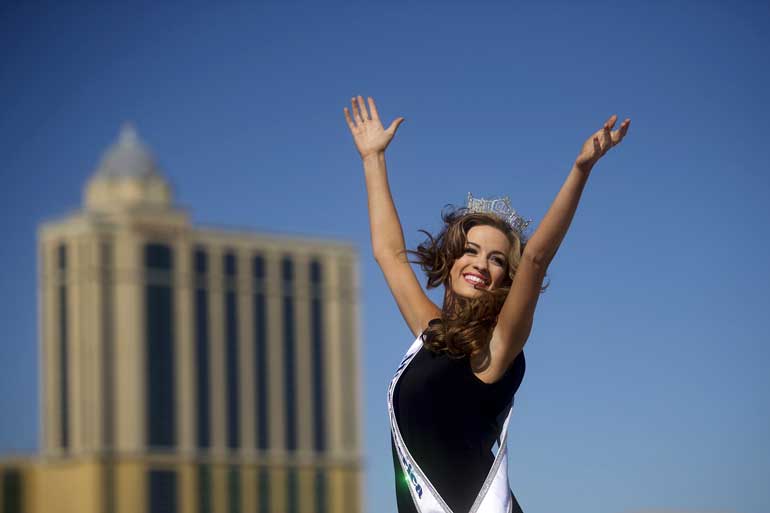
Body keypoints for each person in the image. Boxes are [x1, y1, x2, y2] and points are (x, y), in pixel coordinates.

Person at [343, 96, 630, 513]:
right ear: (451, 258)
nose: (480, 264)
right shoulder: (432, 333)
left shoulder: (496, 348)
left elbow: (535, 258)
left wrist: (580, 170)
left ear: (505, 278)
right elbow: (388, 253)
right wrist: (373, 157)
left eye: (496, 259)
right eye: (471, 251)